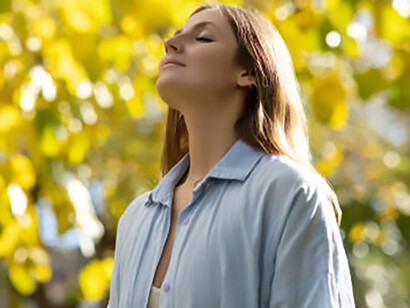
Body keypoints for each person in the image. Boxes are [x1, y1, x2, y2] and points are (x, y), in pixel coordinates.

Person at [107, 2, 356, 308]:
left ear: (248, 72)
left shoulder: (290, 192)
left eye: (203, 38)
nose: (169, 44)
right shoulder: (135, 218)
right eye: (175, 36)